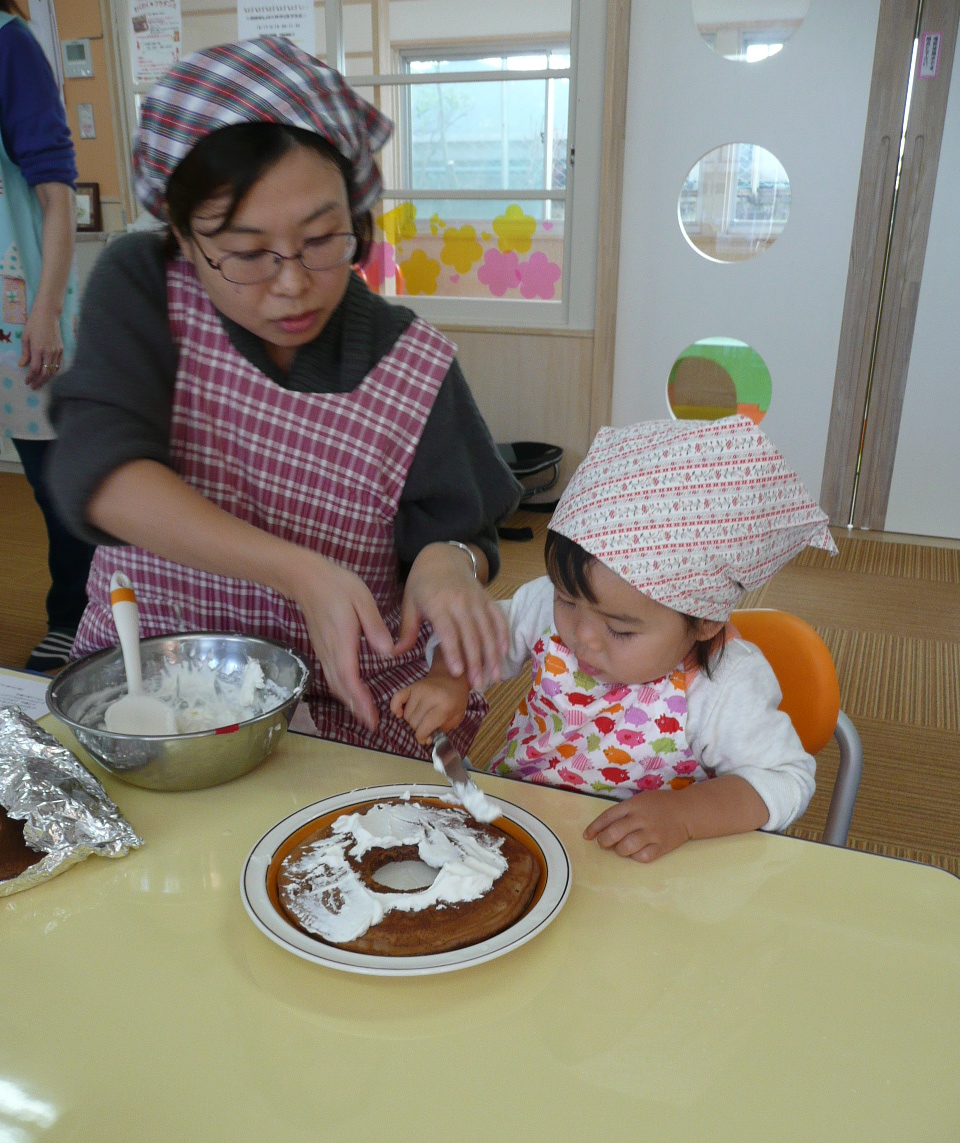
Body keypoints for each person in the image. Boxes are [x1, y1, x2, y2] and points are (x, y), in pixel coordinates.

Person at [48, 37, 521, 759]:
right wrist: (300, 572)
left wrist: (447, 563)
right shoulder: (145, 285)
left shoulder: (408, 357)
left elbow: (462, 528)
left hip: (350, 703)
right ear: (181, 235)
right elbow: (104, 479)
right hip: (159, 682)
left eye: (323, 238)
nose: (294, 283)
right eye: (244, 253)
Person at [392, 415, 838, 861]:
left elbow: (786, 779)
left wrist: (685, 815)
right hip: (525, 829)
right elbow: (473, 637)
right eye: (567, 600)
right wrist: (448, 678)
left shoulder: (725, 686)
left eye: (620, 629)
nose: (582, 636)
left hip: (641, 866)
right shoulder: (544, 604)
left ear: (704, 623)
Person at [0, 0, 94, 671]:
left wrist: (46, 310)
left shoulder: (11, 45)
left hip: (17, 303)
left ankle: (74, 613)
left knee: (58, 482)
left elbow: (55, 194)